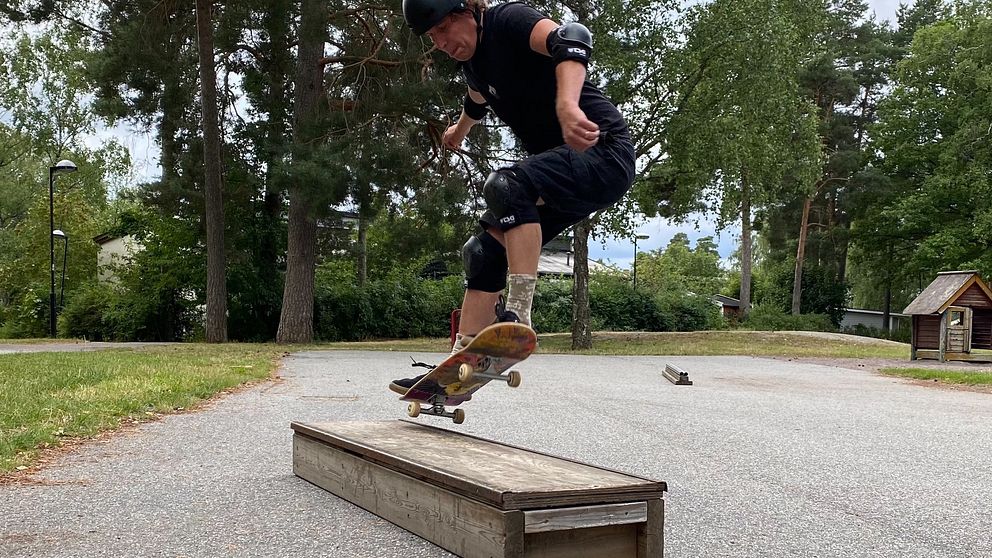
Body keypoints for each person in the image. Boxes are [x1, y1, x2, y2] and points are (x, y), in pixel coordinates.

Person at [389, 0, 636, 395]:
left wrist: (568, 103)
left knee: (507, 185)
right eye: (431, 39)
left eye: (440, 31)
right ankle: (457, 369)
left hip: (602, 151)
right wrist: (460, 130)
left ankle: (518, 314)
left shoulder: (509, 21)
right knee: (483, 251)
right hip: (561, 173)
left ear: (462, 13)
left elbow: (571, 38)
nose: (438, 44)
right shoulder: (474, 64)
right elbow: (477, 98)